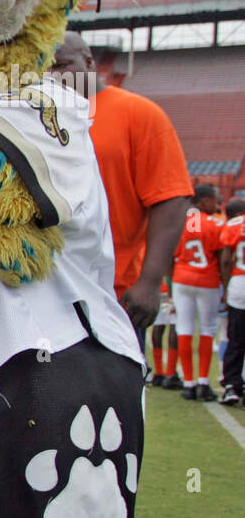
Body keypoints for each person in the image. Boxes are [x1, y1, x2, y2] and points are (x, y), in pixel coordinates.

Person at [49, 33, 192, 348]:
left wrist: (150, 282)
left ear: (88, 62)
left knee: (115, 393)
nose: (53, 76)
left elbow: (170, 199)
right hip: (46, 290)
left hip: (115, 291)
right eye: (45, 68)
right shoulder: (39, 115)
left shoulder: (140, 113)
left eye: (62, 65)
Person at [171, 184, 225, 400]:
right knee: (207, 329)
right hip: (207, 280)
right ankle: (203, 381)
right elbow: (223, 258)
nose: (218, 203)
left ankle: (189, 383)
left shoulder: (179, 220)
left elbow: (170, 254)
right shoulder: (214, 224)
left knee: (184, 328)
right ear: (203, 201)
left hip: (182, 278)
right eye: (215, 199)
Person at [216, 198, 245, 404]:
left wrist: (226, 288)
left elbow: (226, 260)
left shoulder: (234, 224)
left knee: (235, 339)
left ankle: (231, 386)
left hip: (239, 285)